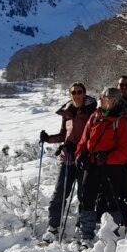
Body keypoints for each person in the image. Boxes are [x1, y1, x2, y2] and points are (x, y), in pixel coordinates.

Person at [75, 87, 127, 244]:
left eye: (105, 98)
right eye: (101, 97)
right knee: (87, 197)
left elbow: (124, 151)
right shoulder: (95, 116)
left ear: (114, 101)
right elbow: (84, 138)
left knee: (111, 199)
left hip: (111, 167)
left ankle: (114, 233)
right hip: (92, 163)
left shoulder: (120, 121)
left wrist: (107, 157)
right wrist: (80, 153)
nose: (101, 100)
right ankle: (86, 233)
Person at [39, 83, 96, 243]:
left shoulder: (92, 111)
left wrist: (79, 148)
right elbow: (64, 135)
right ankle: (53, 228)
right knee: (59, 193)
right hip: (68, 158)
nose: (77, 95)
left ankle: (81, 227)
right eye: (74, 92)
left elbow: (93, 136)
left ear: (84, 94)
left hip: (85, 158)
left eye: (80, 92)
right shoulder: (67, 113)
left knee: (83, 195)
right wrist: (48, 138)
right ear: (70, 94)